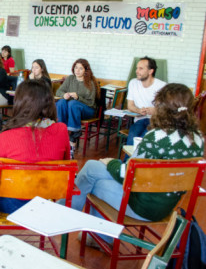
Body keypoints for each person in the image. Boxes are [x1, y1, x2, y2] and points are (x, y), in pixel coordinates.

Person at [69, 83, 203, 243]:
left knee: (93, 181)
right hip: (166, 206)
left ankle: (71, 217)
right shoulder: (198, 139)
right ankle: (96, 236)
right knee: (91, 166)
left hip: (140, 206)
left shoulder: (157, 136)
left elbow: (126, 175)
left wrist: (110, 163)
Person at [0, 80, 70, 239]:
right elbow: (64, 167)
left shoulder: (6, 136)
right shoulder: (62, 130)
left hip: (10, 204)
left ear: (20, 103)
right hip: (45, 202)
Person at [55, 58, 100, 155]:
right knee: (61, 102)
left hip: (87, 110)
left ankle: (73, 134)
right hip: (72, 109)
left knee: (73, 103)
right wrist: (64, 95)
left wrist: (78, 97)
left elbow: (91, 103)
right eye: (76, 68)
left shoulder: (90, 82)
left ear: (86, 71)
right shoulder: (70, 78)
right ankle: (61, 130)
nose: (77, 71)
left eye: (81, 68)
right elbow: (59, 91)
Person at [125, 56, 166, 146]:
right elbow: (130, 105)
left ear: (150, 71)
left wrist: (155, 110)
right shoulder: (133, 83)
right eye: (137, 68)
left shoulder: (162, 86)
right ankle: (128, 160)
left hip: (155, 122)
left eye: (141, 68)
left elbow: (167, 109)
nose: (137, 71)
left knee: (143, 140)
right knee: (132, 137)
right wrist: (138, 110)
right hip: (139, 119)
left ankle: (136, 159)